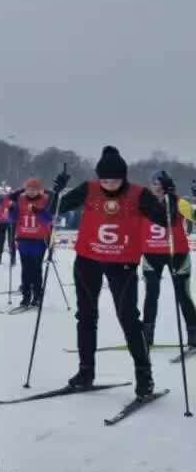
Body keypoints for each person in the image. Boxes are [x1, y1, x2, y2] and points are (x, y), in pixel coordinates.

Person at [49, 146, 178, 398]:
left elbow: (168, 221)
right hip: (88, 260)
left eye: (115, 179)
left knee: (128, 318)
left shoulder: (139, 194)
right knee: (86, 316)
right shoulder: (89, 188)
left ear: (124, 177)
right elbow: (54, 211)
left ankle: (144, 375)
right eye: (105, 179)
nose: (109, 185)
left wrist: (171, 196)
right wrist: (56, 191)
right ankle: (86, 371)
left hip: (123, 263)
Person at [140, 170, 196, 348]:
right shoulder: (143, 203)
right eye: (153, 183)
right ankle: (147, 336)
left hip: (177, 254)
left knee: (183, 294)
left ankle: (193, 334)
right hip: (151, 255)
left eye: (158, 184)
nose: (155, 187)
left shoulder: (179, 202)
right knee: (151, 294)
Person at [9, 178, 55, 309]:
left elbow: (48, 219)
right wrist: (12, 210)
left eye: (34, 189)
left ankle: (37, 295)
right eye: (29, 189)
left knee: (36, 269)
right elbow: (13, 219)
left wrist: (37, 210)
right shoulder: (21, 200)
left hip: (39, 240)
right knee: (25, 269)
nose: (31, 192)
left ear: (40, 189)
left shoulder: (46, 200)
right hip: (24, 239)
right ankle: (26, 296)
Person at [0, 191, 16, 265]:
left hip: (11, 223)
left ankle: (12, 258)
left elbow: (17, 211)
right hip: (2, 222)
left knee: (10, 241)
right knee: (1, 240)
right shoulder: (2, 199)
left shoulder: (13, 201)